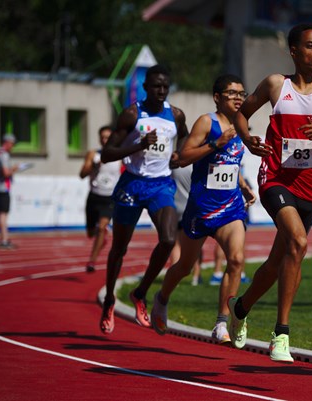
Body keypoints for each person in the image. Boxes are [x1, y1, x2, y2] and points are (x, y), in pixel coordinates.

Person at [227, 23, 312, 363]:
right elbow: (242, 113)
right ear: (294, 51)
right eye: (311, 46)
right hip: (276, 178)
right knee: (298, 242)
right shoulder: (275, 85)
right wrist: (249, 139)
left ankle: (239, 308)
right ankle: (281, 335)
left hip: (311, 189)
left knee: (274, 264)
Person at [150, 74, 256, 344]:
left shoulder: (242, 124)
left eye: (241, 94)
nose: (238, 98)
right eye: (232, 93)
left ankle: (222, 322)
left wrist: (242, 184)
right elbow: (182, 158)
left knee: (236, 260)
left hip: (231, 206)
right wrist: (214, 144)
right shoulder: (207, 122)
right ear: (217, 97)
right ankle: (161, 298)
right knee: (185, 266)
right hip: (201, 209)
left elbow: (230, 163)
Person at [99, 64, 188, 334]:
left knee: (169, 240)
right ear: (146, 87)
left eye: (165, 86)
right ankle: (110, 298)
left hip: (160, 184)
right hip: (132, 184)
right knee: (119, 249)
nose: (161, 90)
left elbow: (183, 138)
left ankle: (140, 292)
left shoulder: (176, 114)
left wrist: (178, 155)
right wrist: (138, 144)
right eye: (156, 86)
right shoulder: (131, 114)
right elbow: (106, 154)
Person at [79, 125, 122, 273]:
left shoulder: (120, 156)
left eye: (107, 137)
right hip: (94, 197)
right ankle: (100, 238)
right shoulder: (93, 154)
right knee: (91, 233)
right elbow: (82, 174)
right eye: (102, 137)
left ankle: (92, 261)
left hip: (109, 199)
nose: (105, 140)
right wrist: (93, 167)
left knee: (102, 228)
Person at [0, 133, 19, 249]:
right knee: (3, 214)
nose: (13, 146)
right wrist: (15, 169)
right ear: (7, 142)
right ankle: (4, 240)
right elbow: (6, 172)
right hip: (2, 187)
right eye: (12, 144)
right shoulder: (4, 155)